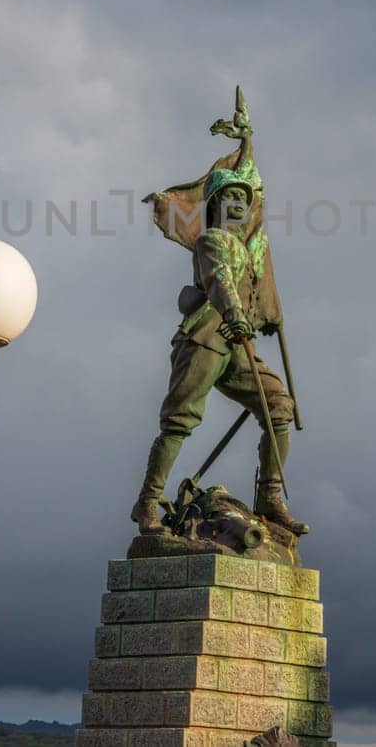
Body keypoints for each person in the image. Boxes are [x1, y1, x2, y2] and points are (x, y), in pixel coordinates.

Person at [134, 157, 307, 536]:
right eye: (228, 196)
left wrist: (266, 314)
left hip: (237, 343)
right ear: (215, 205)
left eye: (242, 198)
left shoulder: (247, 249)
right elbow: (220, 280)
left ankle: (269, 496)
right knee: (180, 420)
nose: (238, 204)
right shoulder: (210, 241)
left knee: (279, 406)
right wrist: (235, 314)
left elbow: (250, 292)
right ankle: (147, 502)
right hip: (207, 335)